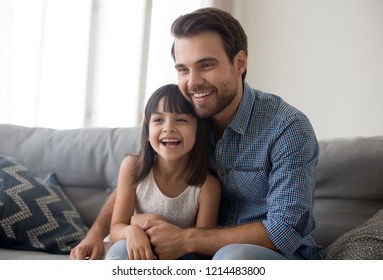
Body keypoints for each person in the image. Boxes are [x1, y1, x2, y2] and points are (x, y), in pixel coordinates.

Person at [70, 7, 326, 260]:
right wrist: (96, 234)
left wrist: (185, 239)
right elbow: (142, 176)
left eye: (205, 65)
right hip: (196, 255)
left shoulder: (287, 128)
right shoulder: (187, 119)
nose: (192, 82)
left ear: (239, 63)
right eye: (183, 69)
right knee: (123, 253)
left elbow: (285, 230)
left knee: (233, 259)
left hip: (270, 256)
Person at [103, 84, 221, 260]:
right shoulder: (132, 167)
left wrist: (164, 228)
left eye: (181, 119)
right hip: (136, 250)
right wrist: (132, 230)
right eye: (158, 120)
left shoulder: (207, 186)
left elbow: (201, 249)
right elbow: (116, 229)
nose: (168, 128)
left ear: (199, 129)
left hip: (179, 256)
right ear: (148, 128)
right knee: (120, 250)